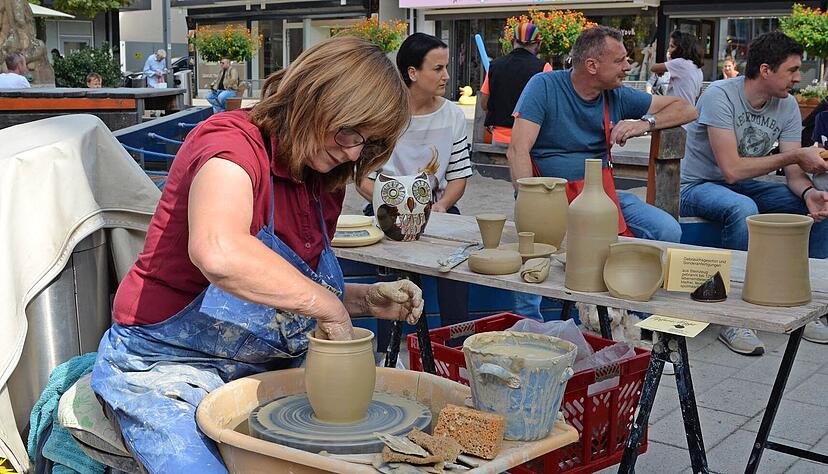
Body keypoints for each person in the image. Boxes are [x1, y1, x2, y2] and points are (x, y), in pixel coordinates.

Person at [90, 36, 421, 474]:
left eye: (369, 143)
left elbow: (280, 294)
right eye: (349, 132)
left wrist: (363, 300)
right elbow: (219, 252)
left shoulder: (324, 174)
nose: (354, 152)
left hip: (263, 362)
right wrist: (331, 309)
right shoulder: (231, 144)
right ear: (314, 99)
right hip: (166, 364)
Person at [508, 26, 697, 320]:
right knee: (532, 250)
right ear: (592, 65)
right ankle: (528, 326)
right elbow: (518, 150)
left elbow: (687, 109)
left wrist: (644, 123)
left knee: (667, 229)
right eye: (620, 60)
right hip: (551, 198)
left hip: (603, 197)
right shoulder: (544, 86)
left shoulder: (616, 95)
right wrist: (531, 205)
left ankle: (643, 318)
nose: (628, 66)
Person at [680, 31, 828, 353]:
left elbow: (793, 173)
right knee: (743, 208)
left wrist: (808, 194)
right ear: (765, 70)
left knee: (821, 208)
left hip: (744, 186)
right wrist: (795, 156)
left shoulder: (787, 105)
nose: (798, 78)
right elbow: (731, 170)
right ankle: (733, 318)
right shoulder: (720, 96)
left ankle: (808, 305)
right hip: (697, 187)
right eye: (792, 70)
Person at [356, 33, 472, 353]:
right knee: (391, 276)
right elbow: (362, 178)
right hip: (387, 209)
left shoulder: (453, 115)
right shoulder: (383, 114)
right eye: (437, 68)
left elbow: (459, 176)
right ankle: (389, 352)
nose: (446, 76)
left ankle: (456, 348)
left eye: (446, 67)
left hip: (438, 209)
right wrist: (392, 205)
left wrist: (442, 205)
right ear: (412, 72)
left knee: (457, 268)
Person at [479, 22, 552, 144]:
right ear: (538, 44)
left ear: (512, 41)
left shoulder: (495, 65)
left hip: (499, 138)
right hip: (530, 139)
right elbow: (549, 107)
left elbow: (484, 103)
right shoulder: (544, 68)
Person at [651, 30, 704, 106]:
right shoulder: (698, 69)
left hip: (676, 109)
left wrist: (664, 67)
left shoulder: (680, 63)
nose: (668, 50)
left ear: (681, 49)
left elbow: (654, 68)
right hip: (690, 108)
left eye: (672, 46)